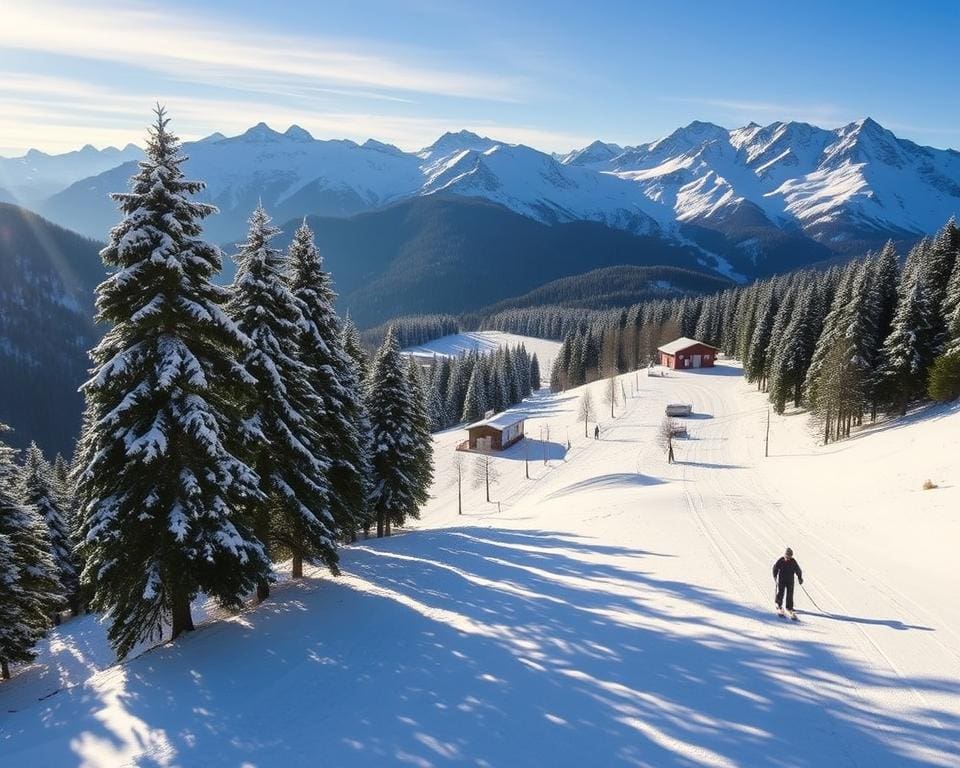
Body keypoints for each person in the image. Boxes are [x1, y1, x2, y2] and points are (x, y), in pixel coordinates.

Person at [773, 547, 803, 618]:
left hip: (790, 580)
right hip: (782, 580)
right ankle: (778, 604)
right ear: (785, 555)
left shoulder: (793, 561)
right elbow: (775, 568)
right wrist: (775, 576)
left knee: (790, 593)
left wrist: (800, 578)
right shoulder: (781, 560)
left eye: (789, 556)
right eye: (787, 556)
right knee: (781, 592)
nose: (788, 558)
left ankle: (789, 607)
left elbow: (798, 570)